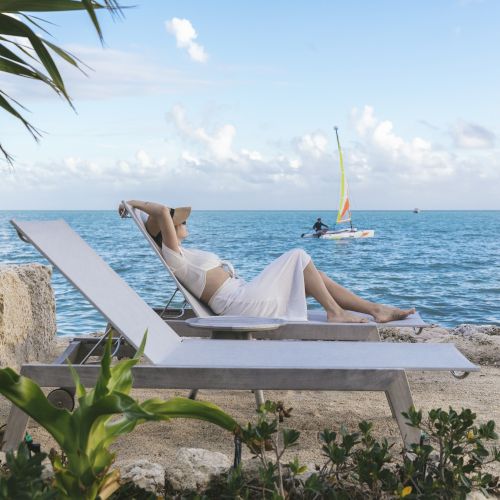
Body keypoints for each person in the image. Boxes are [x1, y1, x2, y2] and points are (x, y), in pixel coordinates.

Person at [119, 200, 415, 324]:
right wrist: (131, 202)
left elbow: (162, 215)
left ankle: (376, 309)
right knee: (298, 256)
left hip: (243, 296)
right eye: (177, 222)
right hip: (240, 304)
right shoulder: (175, 256)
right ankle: (335, 312)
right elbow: (159, 211)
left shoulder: (185, 254)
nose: (182, 223)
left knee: (311, 273)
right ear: (166, 230)